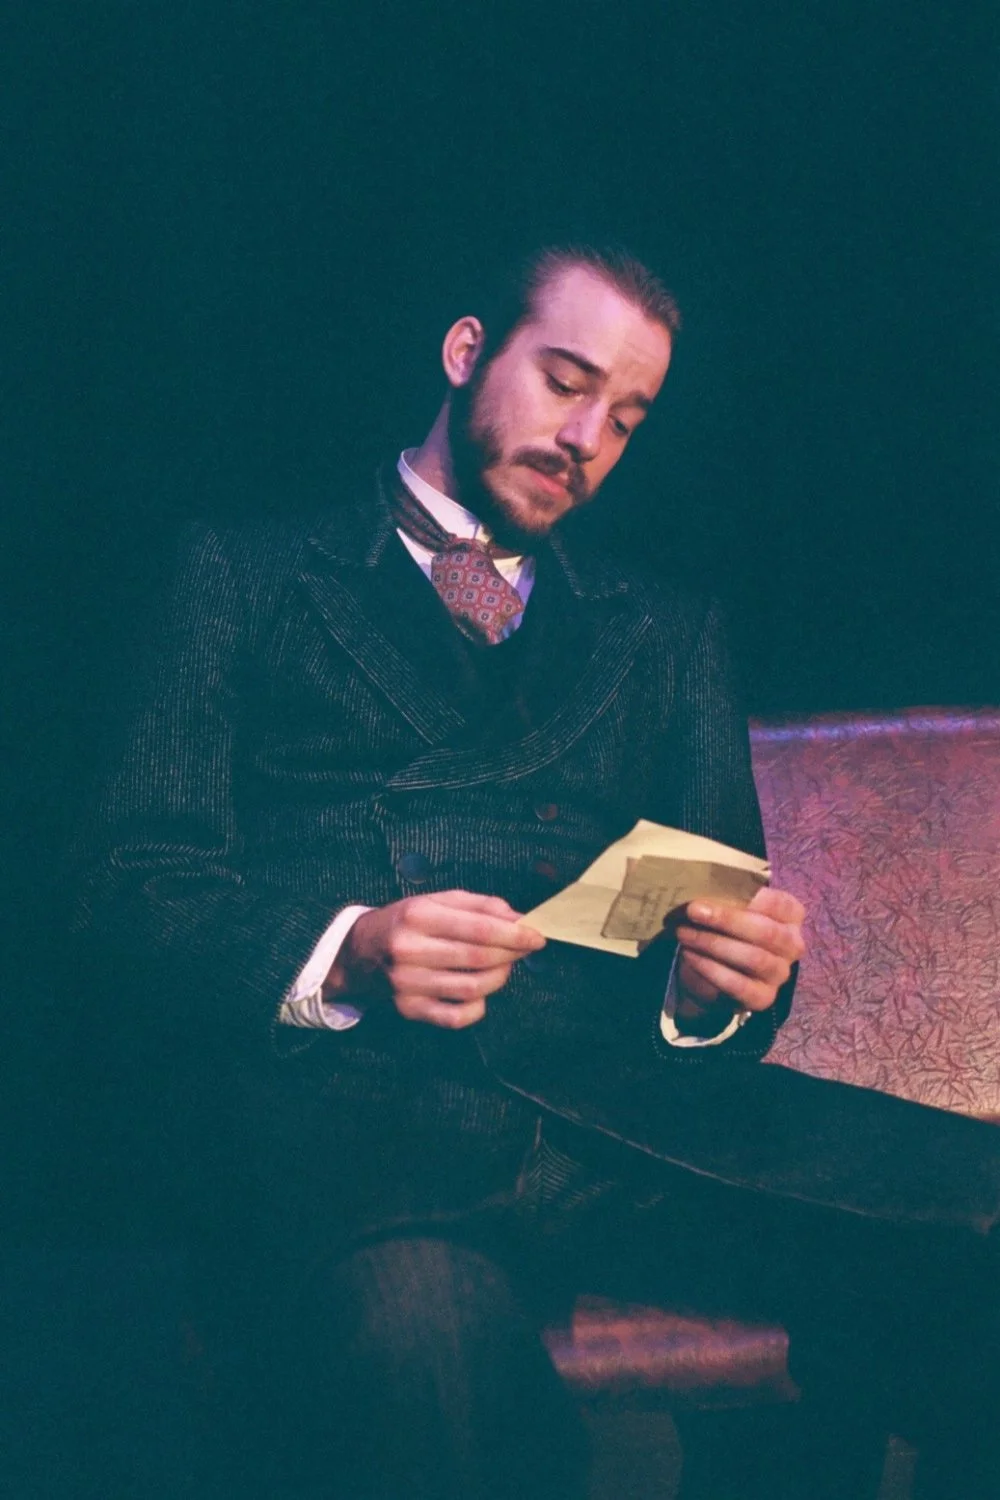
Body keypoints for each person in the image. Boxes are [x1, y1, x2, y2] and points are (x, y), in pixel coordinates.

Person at [74, 244, 1000, 1499]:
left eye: (625, 416)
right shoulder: (240, 576)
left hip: (621, 1128)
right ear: (466, 353)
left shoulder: (664, 630)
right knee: (426, 1361)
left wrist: (714, 988)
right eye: (565, 381)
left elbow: (721, 923)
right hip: (352, 1139)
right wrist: (346, 945)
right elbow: (127, 889)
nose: (587, 437)